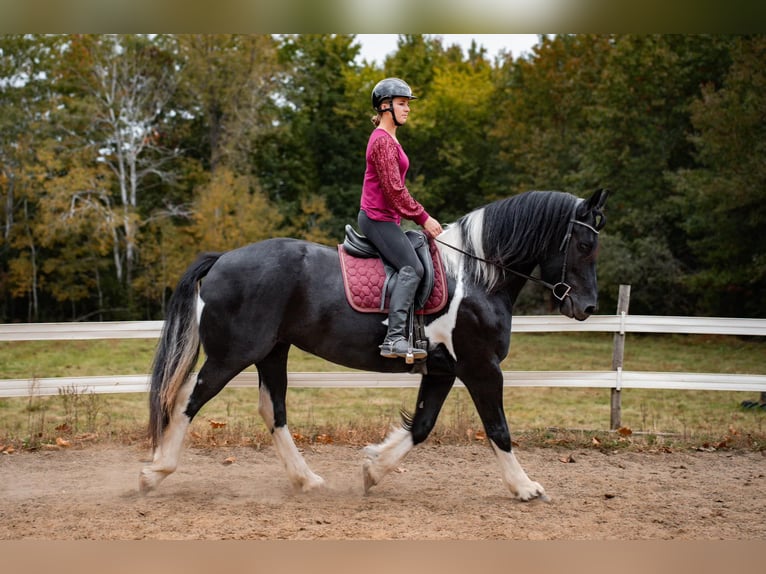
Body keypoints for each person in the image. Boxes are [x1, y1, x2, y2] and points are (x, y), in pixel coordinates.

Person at [358, 77, 443, 360]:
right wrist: (423, 218)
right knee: (412, 268)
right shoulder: (382, 141)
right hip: (376, 218)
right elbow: (394, 190)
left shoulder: (391, 139)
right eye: (402, 104)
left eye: (408, 105)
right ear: (385, 107)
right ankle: (394, 339)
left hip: (388, 219)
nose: (407, 109)